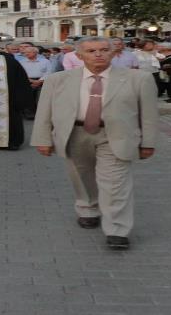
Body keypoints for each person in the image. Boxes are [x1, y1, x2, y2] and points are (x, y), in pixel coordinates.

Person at [31, 36, 159, 250]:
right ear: (79, 55)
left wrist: (148, 142)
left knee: (115, 184)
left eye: (103, 50)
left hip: (115, 135)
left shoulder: (138, 79)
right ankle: (88, 209)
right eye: (91, 51)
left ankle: (117, 229)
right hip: (75, 133)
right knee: (82, 177)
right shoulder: (58, 79)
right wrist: (42, 139)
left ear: (113, 53)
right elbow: (44, 112)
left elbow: (149, 114)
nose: (98, 54)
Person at [18, 42, 52, 120]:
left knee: (41, 99)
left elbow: (49, 72)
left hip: (43, 81)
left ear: (35, 53)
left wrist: (39, 81)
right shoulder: (21, 62)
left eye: (29, 52)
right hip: (27, 81)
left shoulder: (45, 61)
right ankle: (30, 114)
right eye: (25, 52)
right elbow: (21, 73)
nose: (26, 54)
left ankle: (42, 115)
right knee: (27, 98)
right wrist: (31, 81)